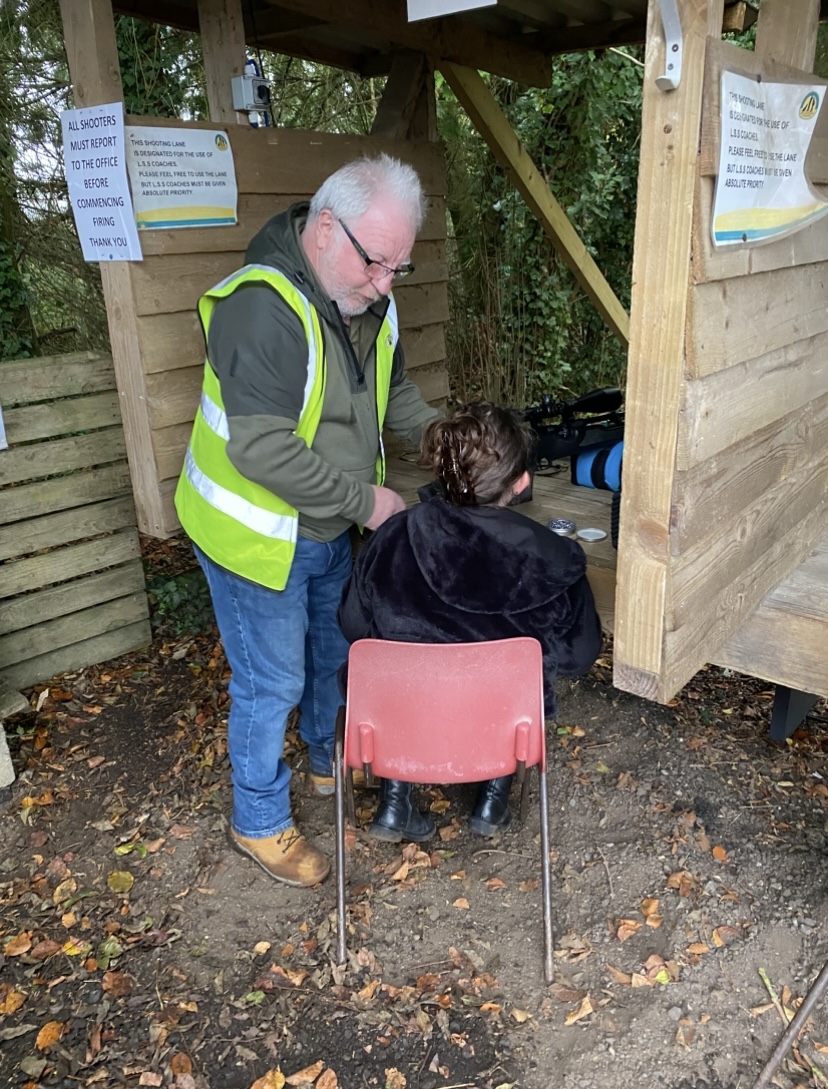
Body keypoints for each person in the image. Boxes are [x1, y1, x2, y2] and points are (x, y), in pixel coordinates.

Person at [174, 155, 441, 888]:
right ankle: (258, 820)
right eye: (376, 262)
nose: (386, 284)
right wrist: (366, 502)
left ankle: (328, 759)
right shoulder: (261, 309)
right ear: (326, 228)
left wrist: (448, 440)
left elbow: (392, 392)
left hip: (326, 527)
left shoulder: (367, 297)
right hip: (252, 535)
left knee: (334, 649)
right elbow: (262, 450)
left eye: (399, 267)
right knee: (272, 681)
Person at [338, 401, 602, 842]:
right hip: (499, 733)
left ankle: (394, 801)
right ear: (522, 482)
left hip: (396, 726)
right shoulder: (556, 560)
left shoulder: (390, 538)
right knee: (513, 686)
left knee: (397, 660)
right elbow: (579, 657)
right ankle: (492, 800)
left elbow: (352, 627)